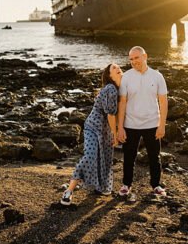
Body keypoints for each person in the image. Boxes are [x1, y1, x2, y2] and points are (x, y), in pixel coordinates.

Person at [60, 63, 121, 205]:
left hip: (104, 130)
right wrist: (115, 133)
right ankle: (68, 191)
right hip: (93, 127)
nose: (118, 68)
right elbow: (111, 114)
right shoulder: (110, 88)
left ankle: (102, 187)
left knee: (105, 158)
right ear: (109, 75)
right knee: (90, 156)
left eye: (119, 67)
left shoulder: (120, 89)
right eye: (114, 68)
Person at [117, 46, 169, 199]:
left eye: (136, 58)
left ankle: (156, 185)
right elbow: (122, 103)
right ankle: (126, 184)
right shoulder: (126, 77)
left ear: (144, 56)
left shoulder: (157, 76)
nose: (133, 61)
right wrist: (120, 127)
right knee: (128, 156)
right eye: (131, 59)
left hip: (152, 123)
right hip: (130, 124)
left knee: (154, 157)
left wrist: (162, 125)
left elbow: (163, 102)